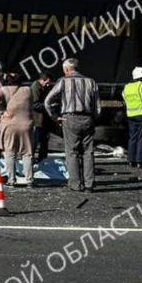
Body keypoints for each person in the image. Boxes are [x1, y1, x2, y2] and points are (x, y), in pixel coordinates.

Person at [44, 57, 101, 193]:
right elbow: (98, 107)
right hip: (88, 118)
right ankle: (89, 184)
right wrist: (94, 119)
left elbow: (47, 101)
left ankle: (75, 184)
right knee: (88, 151)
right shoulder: (91, 81)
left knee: (72, 152)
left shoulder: (63, 81)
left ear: (67, 69)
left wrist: (55, 117)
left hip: (69, 119)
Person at [0, 66, 35, 187]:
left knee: (9, 152)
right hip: (26, 124)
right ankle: (29, 180)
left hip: (9, 124)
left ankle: (11, 180)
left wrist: (2, 110)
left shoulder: (2, 90)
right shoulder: (28, 90)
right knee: (27, 153)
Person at [30, 69, 54, 162]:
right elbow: (34, 104)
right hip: (37, 120)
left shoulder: (42, 87)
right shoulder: (36, 87)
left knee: (44, 141)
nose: (48, 84)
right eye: (48, 82)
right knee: (35, 142)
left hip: (42, 120)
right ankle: (32, 161)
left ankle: (42, 160)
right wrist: (48, 105)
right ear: (46, 79)